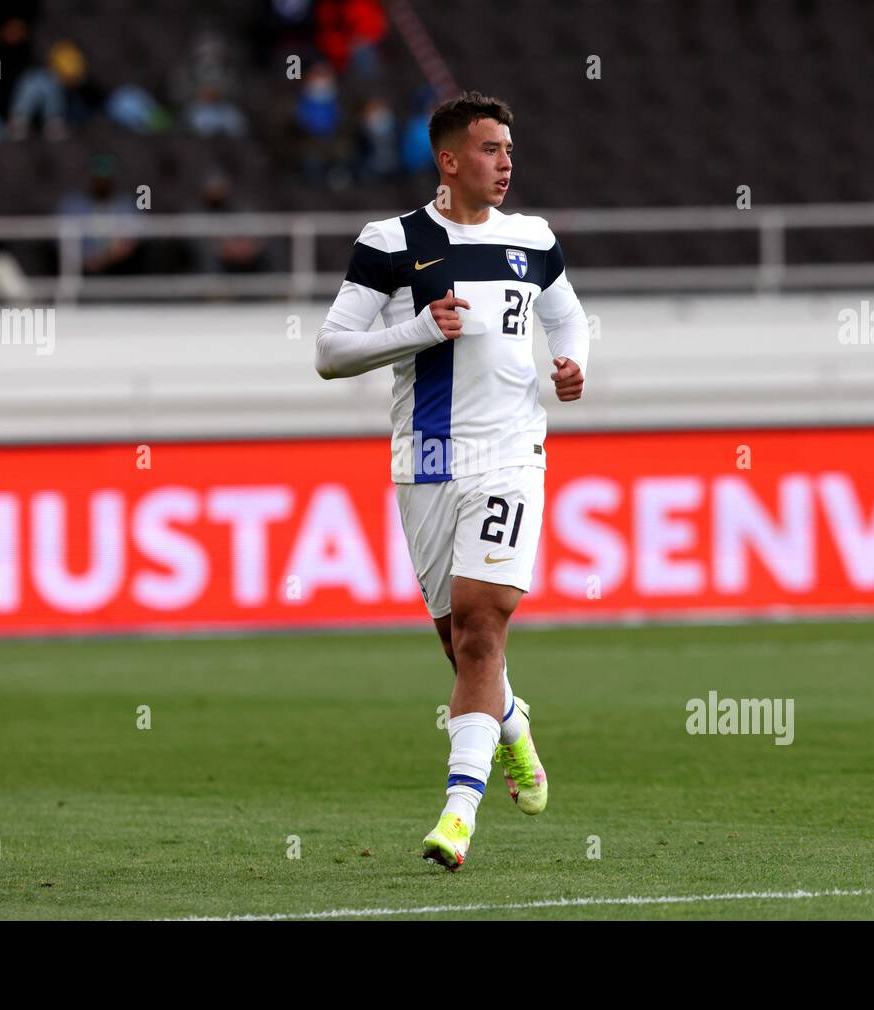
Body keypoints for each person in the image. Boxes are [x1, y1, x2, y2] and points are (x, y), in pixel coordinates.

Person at [313, 91, 589, 871]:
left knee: (479, 623)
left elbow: (567, 317)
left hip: (511, 454)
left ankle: (458, 815)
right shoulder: (390, 241)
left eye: (509, 148)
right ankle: (512, 726)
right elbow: (331, 352)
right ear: (449, 160)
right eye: (491, 149)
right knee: (461, 643)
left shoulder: (533, 240)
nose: (506, 162)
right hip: (426, 458)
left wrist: (575, 366)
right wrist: (419, 329)